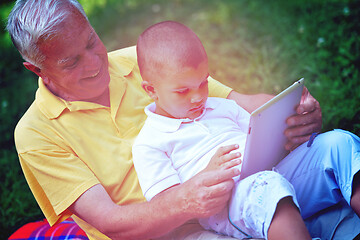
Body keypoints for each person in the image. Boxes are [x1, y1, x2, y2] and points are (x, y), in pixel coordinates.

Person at [6, 0, 355, 239]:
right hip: (166, 233)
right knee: (276, 203)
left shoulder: (145, 59)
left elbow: (241, 103)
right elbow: (112, 224)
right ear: (37, 70)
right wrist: (187, 200)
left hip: (245, 184)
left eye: (91, 42)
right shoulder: (36, 134)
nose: (94, 63)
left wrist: (295, 111)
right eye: (71, 62)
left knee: (339, 155)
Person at [133, 21, 313, 240]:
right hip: (229, 203)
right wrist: (206, 175)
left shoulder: (222, 106)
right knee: (268, 186)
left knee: (338, 144)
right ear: (151, 90)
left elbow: (261, 135)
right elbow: (169, 204)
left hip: (272, 170)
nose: (198, 96)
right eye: (182, 91)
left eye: (203, 83)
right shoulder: (150, 143)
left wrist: (287, 126)